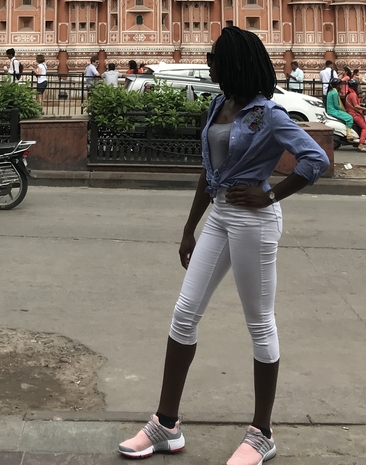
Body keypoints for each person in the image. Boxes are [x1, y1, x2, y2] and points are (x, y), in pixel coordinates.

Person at [118, 26, 329, 463]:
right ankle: (166, 424)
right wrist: (189, 228)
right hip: (219, 215)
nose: (209, 63)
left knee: (259, 323)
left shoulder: (267, 114)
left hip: (255, 218)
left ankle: (261, 434)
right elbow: (208, 170)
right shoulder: (219, 105)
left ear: (234, 62)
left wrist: (269, 193)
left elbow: (316, 159)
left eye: (214, 57)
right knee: (184, 314)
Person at [345, 79, 366, 151]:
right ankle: (361, 145)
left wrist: (363, 104)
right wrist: (365, 109)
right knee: (365, 128)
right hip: (354, 114)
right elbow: (356, 106)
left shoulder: (350, 94)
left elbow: (355, 104)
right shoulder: (353, 94)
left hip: (352, 113)